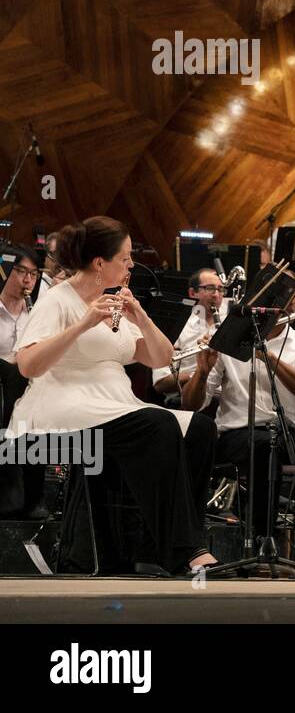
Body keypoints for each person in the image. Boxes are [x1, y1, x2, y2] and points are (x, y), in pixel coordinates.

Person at [10, 217, 217, 574]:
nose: (132, 265)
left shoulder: (115, 302)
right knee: (158, 423)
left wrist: (141, 316)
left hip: (113, 402)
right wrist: (83, 325)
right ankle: (185, 548)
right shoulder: (59, 300)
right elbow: (28, 365)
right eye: (125, 258)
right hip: (62, 405)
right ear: (99, 263)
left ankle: (155, 547)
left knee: (200, 428)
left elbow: (160, 358)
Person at [182, 291, 295, 566]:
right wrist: (202, 372)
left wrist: (268, 356)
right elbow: (191, 404)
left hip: (289, 434)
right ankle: (263, 543)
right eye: (288, 296)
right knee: (265, 445)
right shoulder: (227, 338)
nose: (294, 301)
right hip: (237, 435)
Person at [0, 246, 43, 517]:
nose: (28, 279)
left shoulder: (36, 313)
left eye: (34, 273)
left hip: (25, 388)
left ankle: (33, 497)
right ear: (5, 271)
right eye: (22, 272)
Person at [153, 267, 227, 396]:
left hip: (225, 397)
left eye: (221, 289)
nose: (216, 295)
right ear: (193, 293)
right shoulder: (175, 327)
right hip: (186, 397)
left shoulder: (228, 324)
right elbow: (160, 383)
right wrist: (199, 374)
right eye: (209, 288)